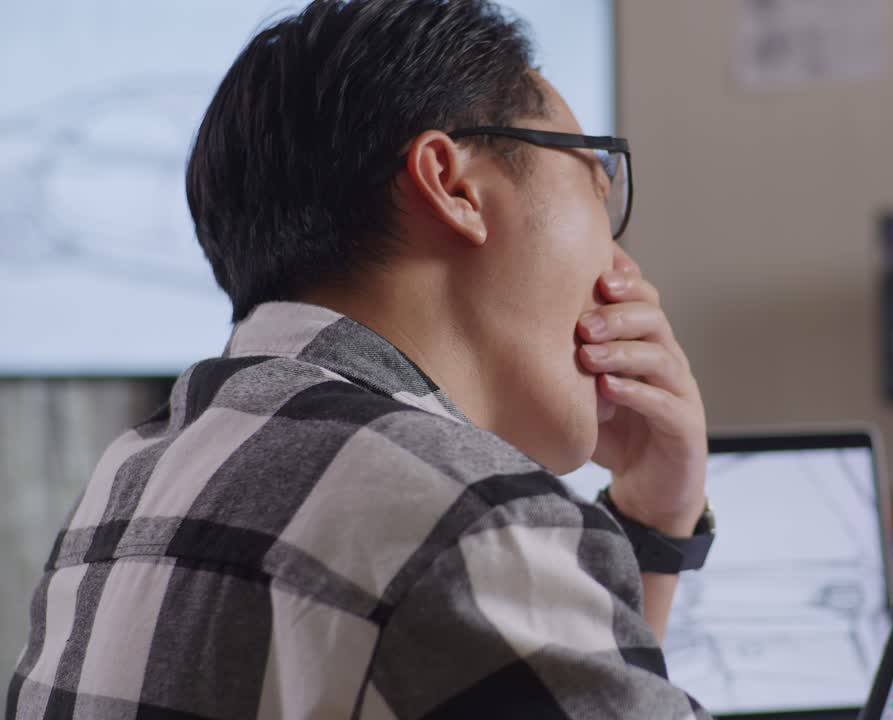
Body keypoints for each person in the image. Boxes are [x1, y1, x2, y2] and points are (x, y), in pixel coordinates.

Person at [6, 1, 714, 718]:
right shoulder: (471, 518)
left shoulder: (125, 486)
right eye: (597, 185)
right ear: (454, 186)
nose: (622, 266)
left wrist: (652, 518)